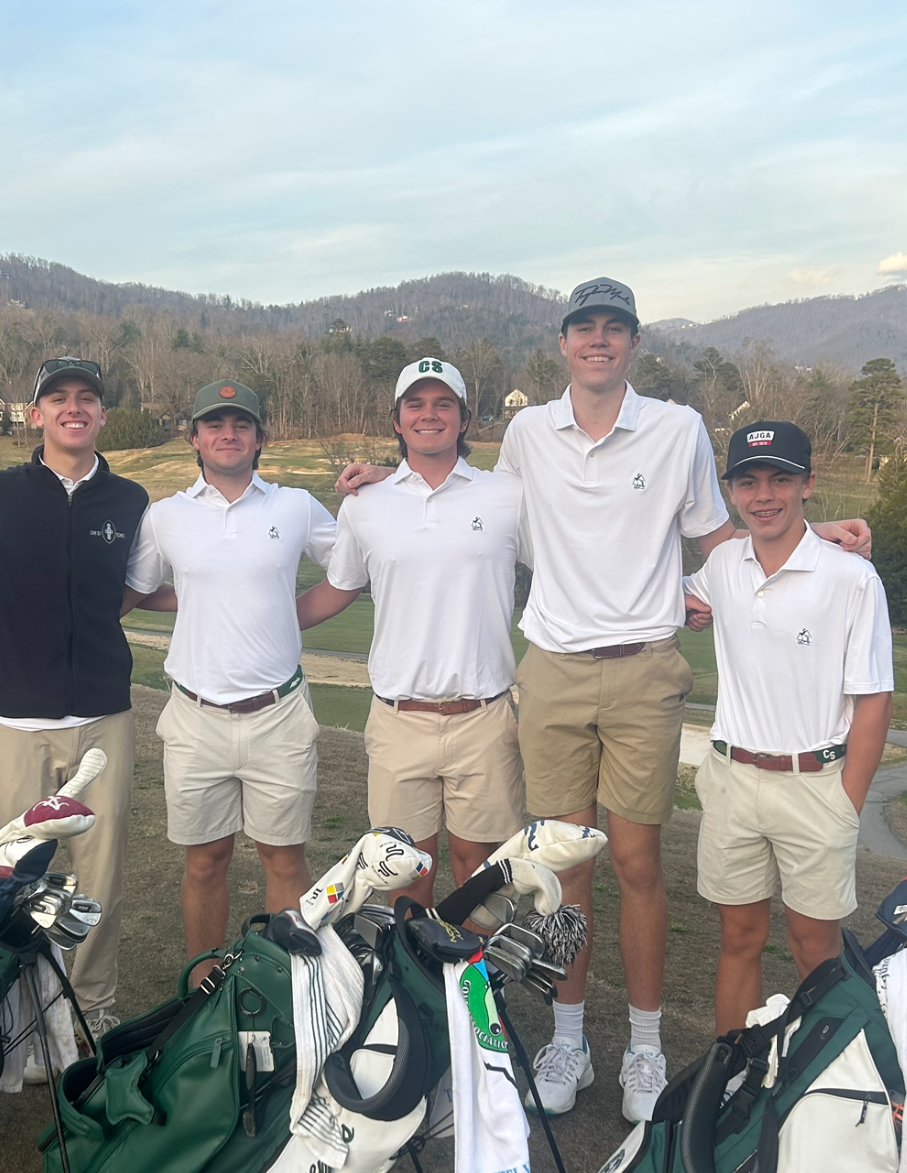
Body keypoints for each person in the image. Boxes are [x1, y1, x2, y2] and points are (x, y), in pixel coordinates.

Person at [337, 278, 870, 1122]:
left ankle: (645, 1047)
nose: (598, 339)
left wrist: (810, 533)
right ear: (563, 343)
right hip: (551, 670)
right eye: (583, 327)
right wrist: (384, 478)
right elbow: (470, 496)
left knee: (636, 860)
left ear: (633, 343)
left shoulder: (677, 429)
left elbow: (717, 533)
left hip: (644, 670)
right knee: (563, 867)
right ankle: (569, 1039)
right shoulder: (526, 434)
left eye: (613, 328)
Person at [683, 421, 893, 1035]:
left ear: (808, 484)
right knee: (738, 937)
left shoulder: (851, 577)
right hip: (732, 779)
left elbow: (874, 702)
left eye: (780, 479)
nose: (764, 495)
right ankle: (732, 1075)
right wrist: (691, 607)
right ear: (732, 492)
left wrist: (847, 804)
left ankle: (816, 1082)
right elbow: (662, 591)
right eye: (748, 482)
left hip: (817, 784)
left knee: (815, 949)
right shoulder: (723, 563)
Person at [123, 381, 335, 977]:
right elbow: (139, 588)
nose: (228, 434)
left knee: (283, 860)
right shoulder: (166, 516)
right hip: (196, 717)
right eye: (214, 425)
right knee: (204, 861)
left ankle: (284, 988)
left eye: (241, 424)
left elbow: (352, 567)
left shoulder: (295, 506)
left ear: (260, 438)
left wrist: (287, 615)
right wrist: (198, 598)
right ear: (194, 438)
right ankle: (204, 988)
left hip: (279, 714)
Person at [297, 359, 526, 906]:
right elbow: (339, 587)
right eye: (415, 405)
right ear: (397, 422)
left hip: (484, 717)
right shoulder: (364, 503)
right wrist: (259, 622)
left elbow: (565, 563)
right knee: (404, 877)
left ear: (464, 419)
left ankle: (476, 966)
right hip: (399, 719)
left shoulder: (508, 496)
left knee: (481, 874)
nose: (429, 415)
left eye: (443, 404)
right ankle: (410, 967)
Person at [0, 358, 148, 1048]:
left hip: (104, 714)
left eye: (87, 398)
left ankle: (91, 1003)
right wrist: (20, 645)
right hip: (19, 716)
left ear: (102, 414)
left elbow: (129, 589)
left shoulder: (130, 500)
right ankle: (20, 1009)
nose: (73, 408)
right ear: (36, 414)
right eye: (58, 398)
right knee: (18, 871)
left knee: (99, 873)